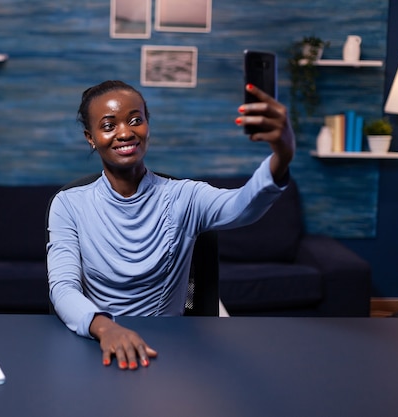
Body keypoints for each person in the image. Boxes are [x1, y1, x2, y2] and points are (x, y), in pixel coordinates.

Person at [46, 80, 295, 371]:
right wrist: (106, 328)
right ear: (91, 137)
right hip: (96, 343)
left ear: (147, 126)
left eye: (135, 120)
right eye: (109, 125)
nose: (125, 132)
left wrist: (282, 156)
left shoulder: (185, 196)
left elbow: (242, 206)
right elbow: (63, 288)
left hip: (169, 351)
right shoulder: (68, 204)